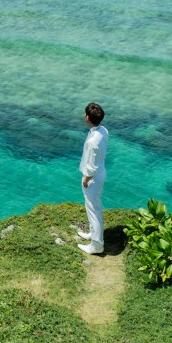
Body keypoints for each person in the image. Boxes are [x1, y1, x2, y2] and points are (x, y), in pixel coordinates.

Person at [77, 102, 108, 255]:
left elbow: (92, 165)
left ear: (88, 117)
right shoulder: (103, 130)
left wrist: (86, 179)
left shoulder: (92, 141)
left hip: (93, 178)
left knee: (93, 209)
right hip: (101, 173)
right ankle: (93, 234)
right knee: (93, 208)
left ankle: (96, 245)